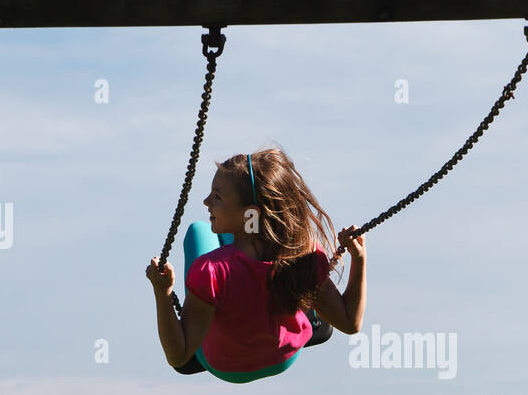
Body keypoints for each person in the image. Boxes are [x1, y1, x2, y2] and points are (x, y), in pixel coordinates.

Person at [147, 147, 366, 383]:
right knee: (254, 244)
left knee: (198, 231)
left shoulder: (208, 270)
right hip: (283, 356)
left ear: (250, 213)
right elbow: (350, 323)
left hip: (226, 365)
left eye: (217, 197)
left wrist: (163, 293)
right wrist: (359, 258)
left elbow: (178, 356)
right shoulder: (303, 252)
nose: (206, 201)